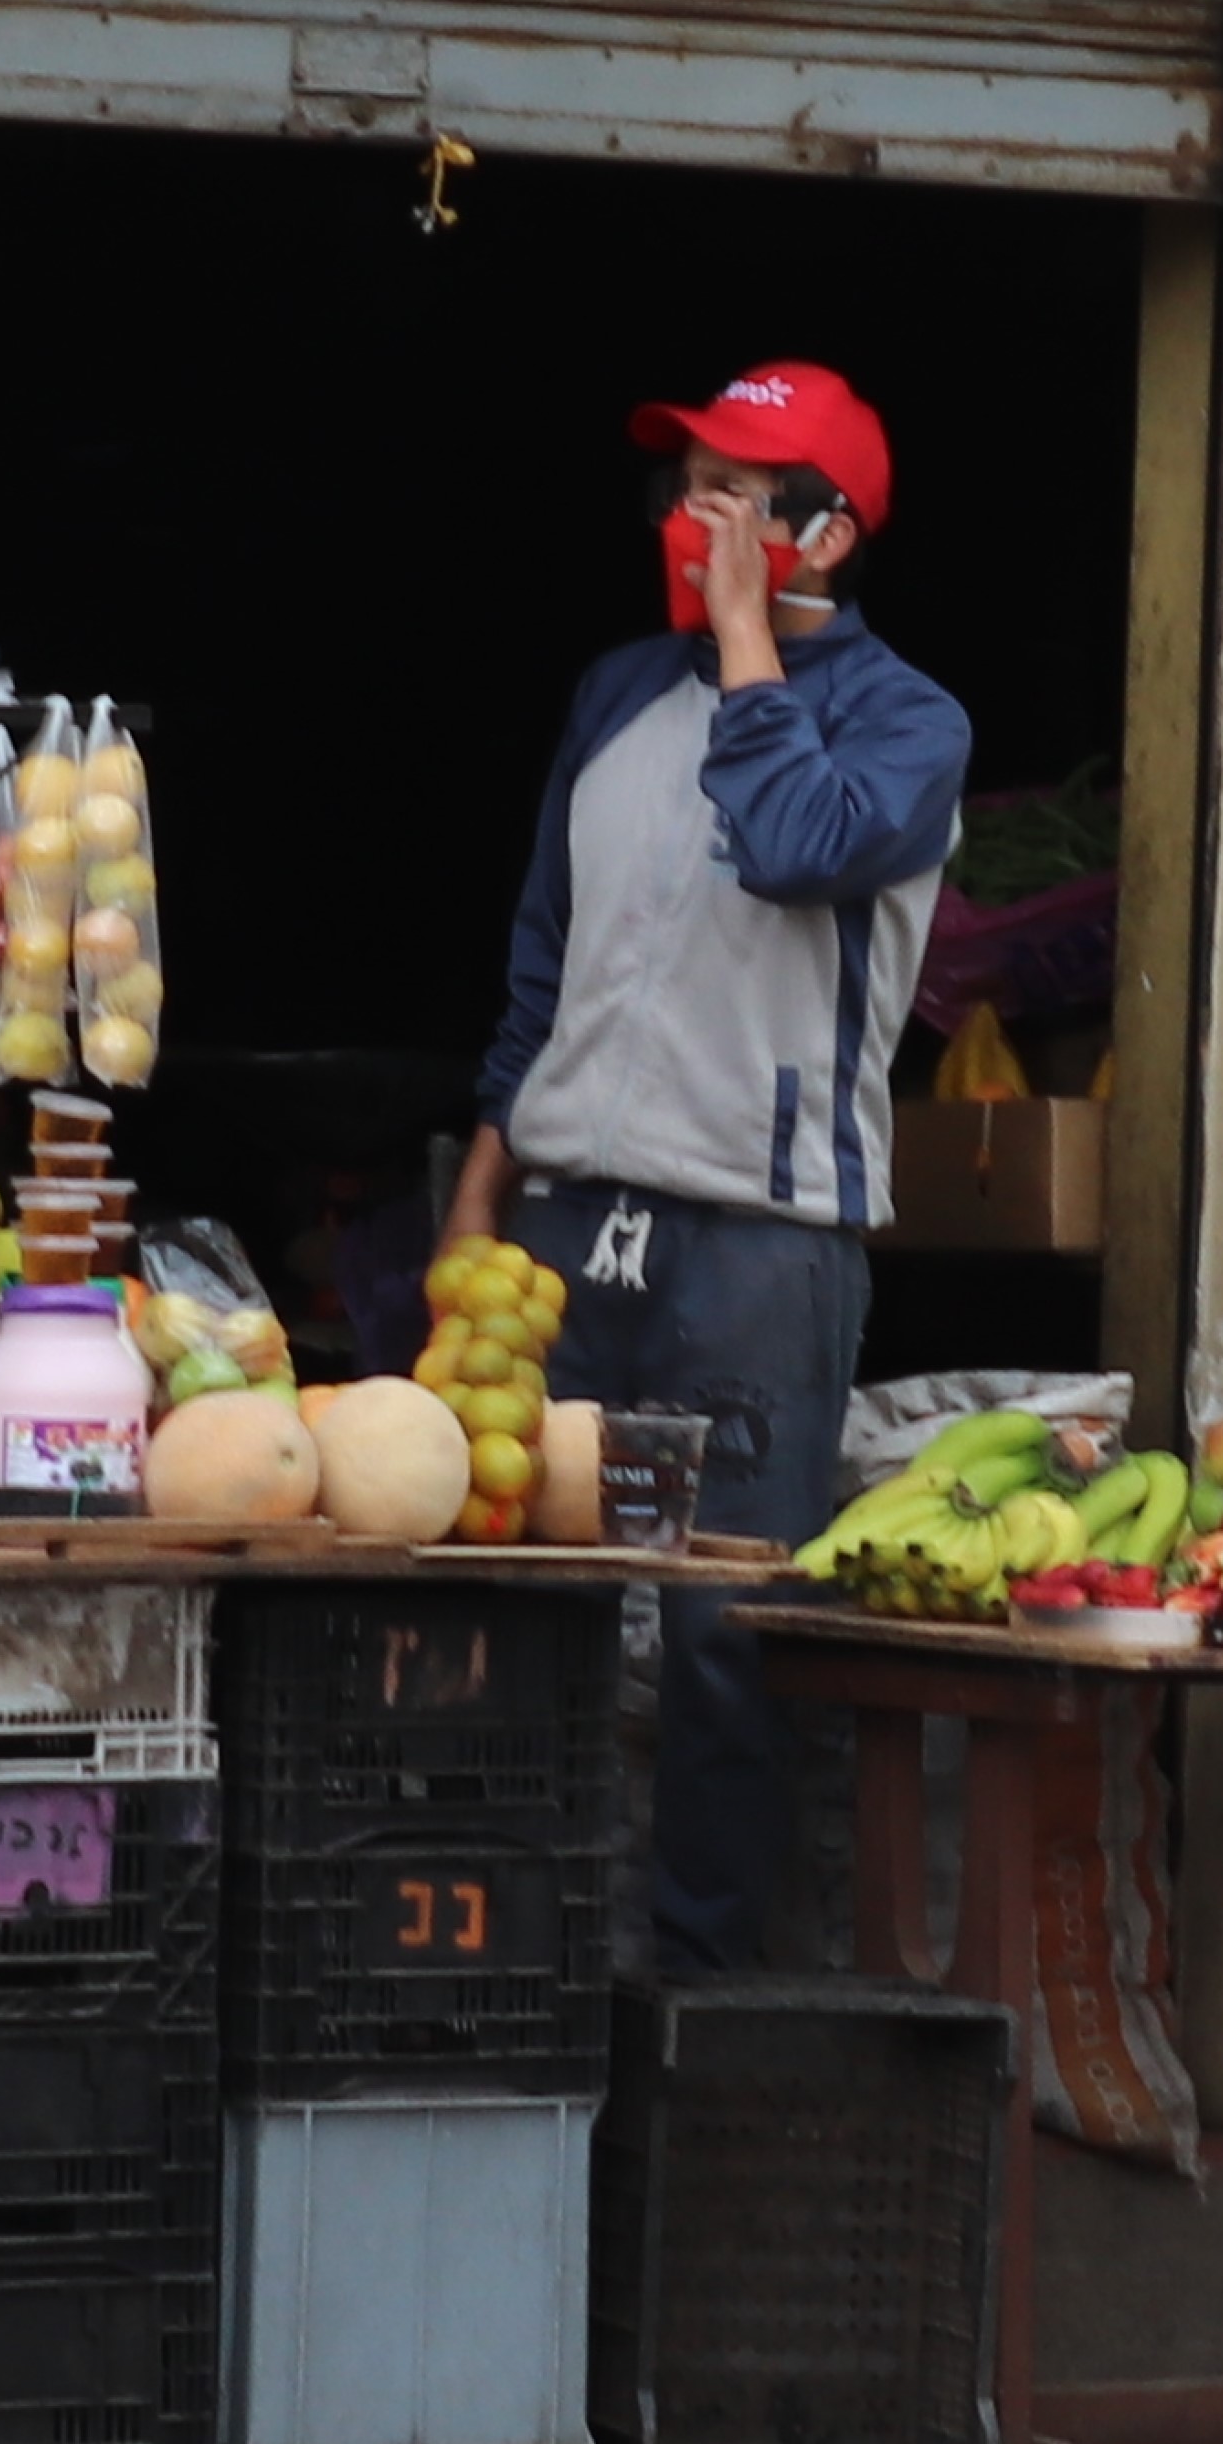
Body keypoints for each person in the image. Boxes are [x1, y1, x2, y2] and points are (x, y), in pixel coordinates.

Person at [449, 363, 967, 1968]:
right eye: (682, 493)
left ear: (827, 532)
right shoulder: (617, 692)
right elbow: (544, 959)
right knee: (514, 1600)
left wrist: (749, 640)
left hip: (758, 1247)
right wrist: (478, 1192)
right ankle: (508, 1969)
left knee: (722, 1635)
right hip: (565, 1229)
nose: (689, 523)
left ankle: (704, 1997)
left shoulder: (908, 723)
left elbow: (799, 843)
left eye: (730, 497)